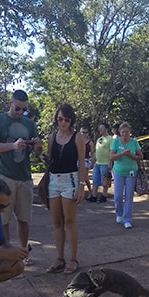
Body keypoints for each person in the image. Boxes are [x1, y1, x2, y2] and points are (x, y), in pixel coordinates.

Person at [0, 90, 42, 264]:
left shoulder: (29, 123)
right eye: (17, 108)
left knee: (24, 218)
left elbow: (37, 152)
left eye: (24, 110)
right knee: (3, 218)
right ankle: (6, 253)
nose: (20, 113)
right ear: (11, 103)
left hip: (24, 176)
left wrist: (38, 145)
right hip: (3, 175)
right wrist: (13, 145)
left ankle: (23, 253)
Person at [44, 104, 86, 274]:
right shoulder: (52, 137)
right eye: (60, 119)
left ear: (71, 120)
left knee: (69, 221)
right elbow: (50, 160)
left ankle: (73, 258)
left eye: (66, 120)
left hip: (70, 179)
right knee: (57, 222)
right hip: (54, 179)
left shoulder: (77, 137)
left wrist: (82, 186)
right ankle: (59, 258)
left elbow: (83, 162)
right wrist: (42, 155)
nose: (63, 123)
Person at [110, 121, 142, 230]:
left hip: (131, 172)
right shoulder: (115, 142)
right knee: (118, 195)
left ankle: (127, 219)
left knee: (129, 196)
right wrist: (122, 154)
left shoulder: (134, 142)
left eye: (127, 132)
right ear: (120, 132)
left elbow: (140, 156)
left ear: (130, 132)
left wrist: (131, 155)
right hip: (119, 171)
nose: (124, 134)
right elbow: (111, 156)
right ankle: (119, 212)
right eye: (123, 132)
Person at [89, 123, 114, 203]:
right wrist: (92, 161)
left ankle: (104, 195)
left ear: (106, 129)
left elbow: (111, 151)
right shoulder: (99, 139)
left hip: (105, 163)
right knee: (95, 180)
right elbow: (97, 151)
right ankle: (94, 195)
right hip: (97, 163)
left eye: (101, 128)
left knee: (105, 180)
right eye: (99, 128)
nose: (100, 129)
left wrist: (110, 162)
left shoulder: (110, 139)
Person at [81, 126, 94, 195]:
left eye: (86, 132)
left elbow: (92, 152)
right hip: (78, 160)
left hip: (86, 160)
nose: (84, 134)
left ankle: (90, 191)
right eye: (83, 132)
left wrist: (92, 161)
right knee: (78, 177)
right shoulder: (78, 141)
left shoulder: (89, 142)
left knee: (85, 177)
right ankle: (80, 192)